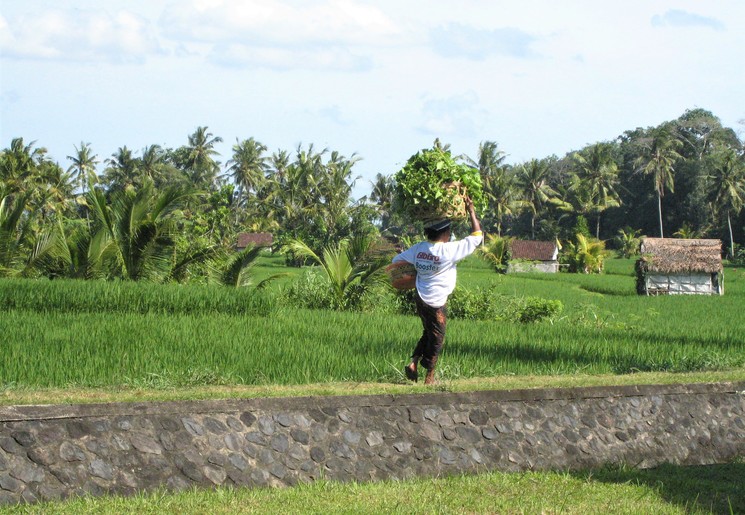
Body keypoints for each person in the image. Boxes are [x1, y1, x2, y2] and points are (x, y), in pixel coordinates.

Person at [392, 197, 482, 384]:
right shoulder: (449, 251)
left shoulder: (419, 248)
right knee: (438, 337)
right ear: (445, 233)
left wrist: (414, 276)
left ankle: (414, 362)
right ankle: (429, 377)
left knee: (428, 331)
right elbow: (477, 236)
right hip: (437, 302)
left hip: (420, 297)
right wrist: (471, 211)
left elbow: (397, 261)